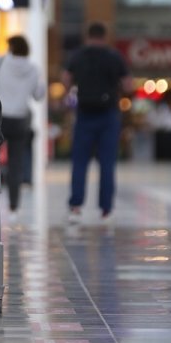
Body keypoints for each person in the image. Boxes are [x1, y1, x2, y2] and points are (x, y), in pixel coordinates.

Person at [61, 22, 132, 224]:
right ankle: (106, 210)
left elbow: (66, 78)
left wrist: (72, 90)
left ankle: (75, 207)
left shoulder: (78, 55)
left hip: (84, 114)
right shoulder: (114, 56)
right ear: (105, 36)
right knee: (107, 164)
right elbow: (128, 83)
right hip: (109, 115)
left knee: (80, 162)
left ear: (88, 36)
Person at [0, 35, 45, 223]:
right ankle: (14, 207)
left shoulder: (0, 62)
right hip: (20, 121)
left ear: (11, 47)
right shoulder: (33, 69)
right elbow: (39, 95)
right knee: (16, 165)